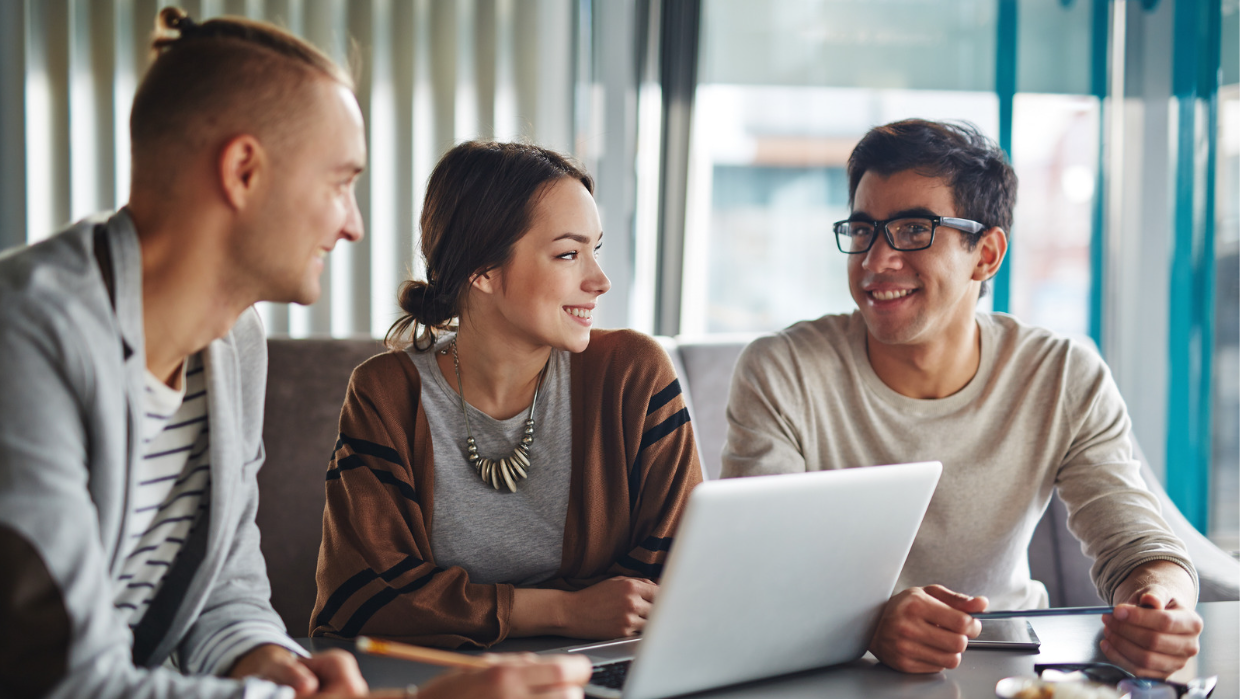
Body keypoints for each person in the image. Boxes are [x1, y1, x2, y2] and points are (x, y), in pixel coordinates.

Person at [0, 9, 588, 699]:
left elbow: (225, 592)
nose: (353, 224)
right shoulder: (27, 339)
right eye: (339, 183)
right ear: (243, 171)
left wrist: (273, 665)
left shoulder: (233, 341)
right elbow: (63, 681)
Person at [721, 119, 1203, 679]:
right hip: (833, 670)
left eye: (912, 230)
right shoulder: (782, 371)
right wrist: (865, 624)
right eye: (863, 230)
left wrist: (1160, 606)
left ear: (986, 254)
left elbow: (1137, 543)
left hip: (1014, 667)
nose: (876, 261)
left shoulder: (1061, 375)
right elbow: (752, 571)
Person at [312, 141, 703, 648]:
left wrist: (449, 606)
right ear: (483, 270)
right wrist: (566, 610)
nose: (600, 280)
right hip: (446, 678)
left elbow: (679, 575)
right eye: (569, 254)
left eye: (596, 250)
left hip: (601, 666)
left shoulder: (633, 375)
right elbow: (361, 597)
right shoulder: (386, 394)